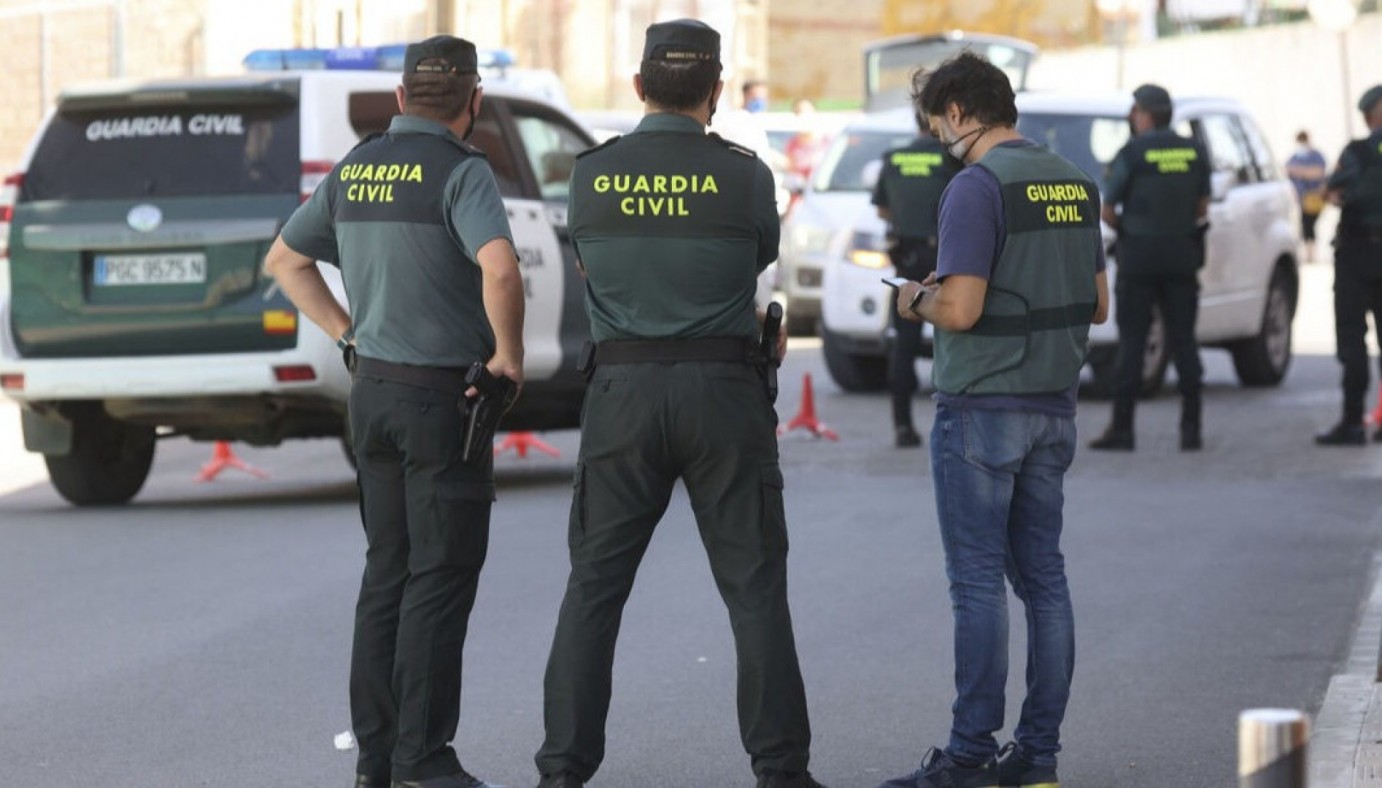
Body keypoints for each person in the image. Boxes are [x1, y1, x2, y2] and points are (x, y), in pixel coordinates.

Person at [532, 19, 823, 788]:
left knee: (594, 588)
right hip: (723, 393)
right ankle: (781, 771)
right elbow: (757, 254)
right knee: (755, 587)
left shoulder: (593, 174)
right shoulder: (747, 173)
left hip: (622, 394)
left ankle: (562, 771)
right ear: (717, 92)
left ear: (638, 87)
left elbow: (591, 263)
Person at [264, 35, 524, 788]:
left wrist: (347, 333)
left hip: (372, 393)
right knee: (440, 577)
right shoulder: (463, 171)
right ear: (473, 103)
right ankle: (424, 759)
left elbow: (286, 261)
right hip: (443, 399)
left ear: (402, 99)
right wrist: (508, 356)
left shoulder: (358, 166)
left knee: (388, 573)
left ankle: (377, 760)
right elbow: (501, 268)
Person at [882, 51, 1108, 788]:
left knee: (976, 584)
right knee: (1044, 580)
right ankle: (1037, 758)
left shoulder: (976, 188)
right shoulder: (1078, 183)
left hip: (982, 407)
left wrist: (913, 296)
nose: (935, 137)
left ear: (956, 114)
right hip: (1053, 406)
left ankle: (969, 756)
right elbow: (1098, 303)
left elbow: (963, 307)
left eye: (933, 123)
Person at [1088, 84, 1211, 452]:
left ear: (1146, 115)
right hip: (1181, 257)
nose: (1131, 118)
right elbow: (1202, 207)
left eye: (1135, 111)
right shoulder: (1194, 151)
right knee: (1185, 342)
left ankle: (1123, 430)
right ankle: (1191, 430)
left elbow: (1108, 210)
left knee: (1133, 344)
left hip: (1139, 259)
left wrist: (1132, 232)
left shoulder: (1132, 153)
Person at [1315, 84, 1382, 446]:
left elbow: (1330, 190)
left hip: (1358, 254)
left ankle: (1352, 422)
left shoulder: (1359, 151)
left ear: (1368, 117)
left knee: (1353, 339)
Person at [870, 108, 954, 448]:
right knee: (952, 341)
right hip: (945, 259)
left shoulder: (895, 158)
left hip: (906, 257)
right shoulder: (949, 159)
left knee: (904, 345)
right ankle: (952, 425)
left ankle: (903, 426)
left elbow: (882, 208)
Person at [1286, 130, 1328, 262]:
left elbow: (1318, 173)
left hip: (1314, 198)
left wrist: (1300, 171)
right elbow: (1287, 170)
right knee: (1305, 225)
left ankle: (1312, 253)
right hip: (1301, 198)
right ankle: (1308, 253)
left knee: (1309, 224)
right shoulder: (1295, 157)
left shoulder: (1316, 156)